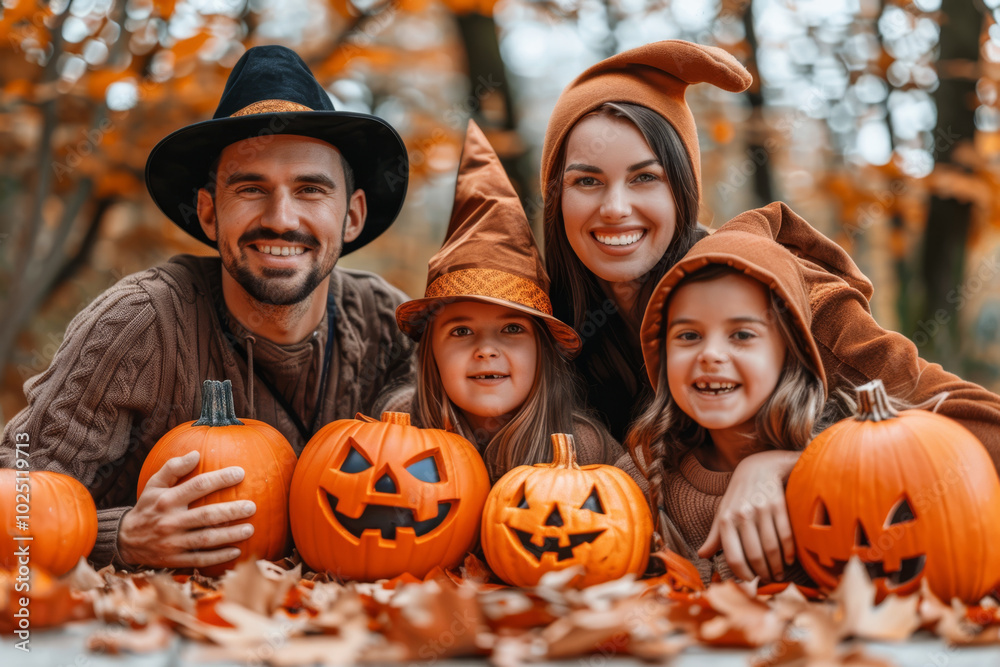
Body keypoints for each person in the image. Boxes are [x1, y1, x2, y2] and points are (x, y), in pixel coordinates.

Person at [540, 39, 1000, 579]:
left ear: (683, 191)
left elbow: (984, 432)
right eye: (587, 180)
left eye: (646, 177)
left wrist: (796, 467)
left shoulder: (776, 292)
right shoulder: (550, 319)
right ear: (556, 196)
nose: (615, 207)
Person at [0, 46, 416, 571]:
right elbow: (14, 483)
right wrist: (120, 536)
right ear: (209, 212)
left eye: (310, 189)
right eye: (250, 188)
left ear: (352, 216)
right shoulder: (141, 322)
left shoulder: (392, 324)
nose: (280, 218)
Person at [395, 121, 617, 482]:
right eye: (461, 330)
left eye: (512, 328)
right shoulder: (400, 432)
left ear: (542, 349)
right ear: (430, 350)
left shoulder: (586, 449)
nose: (486, 350)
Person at [621, 228, 837, 585]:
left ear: (790, 353)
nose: (711, 355)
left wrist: (787, 465)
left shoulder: (841, 464)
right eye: (689, 336)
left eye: (741, 335)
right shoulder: (640, 476)